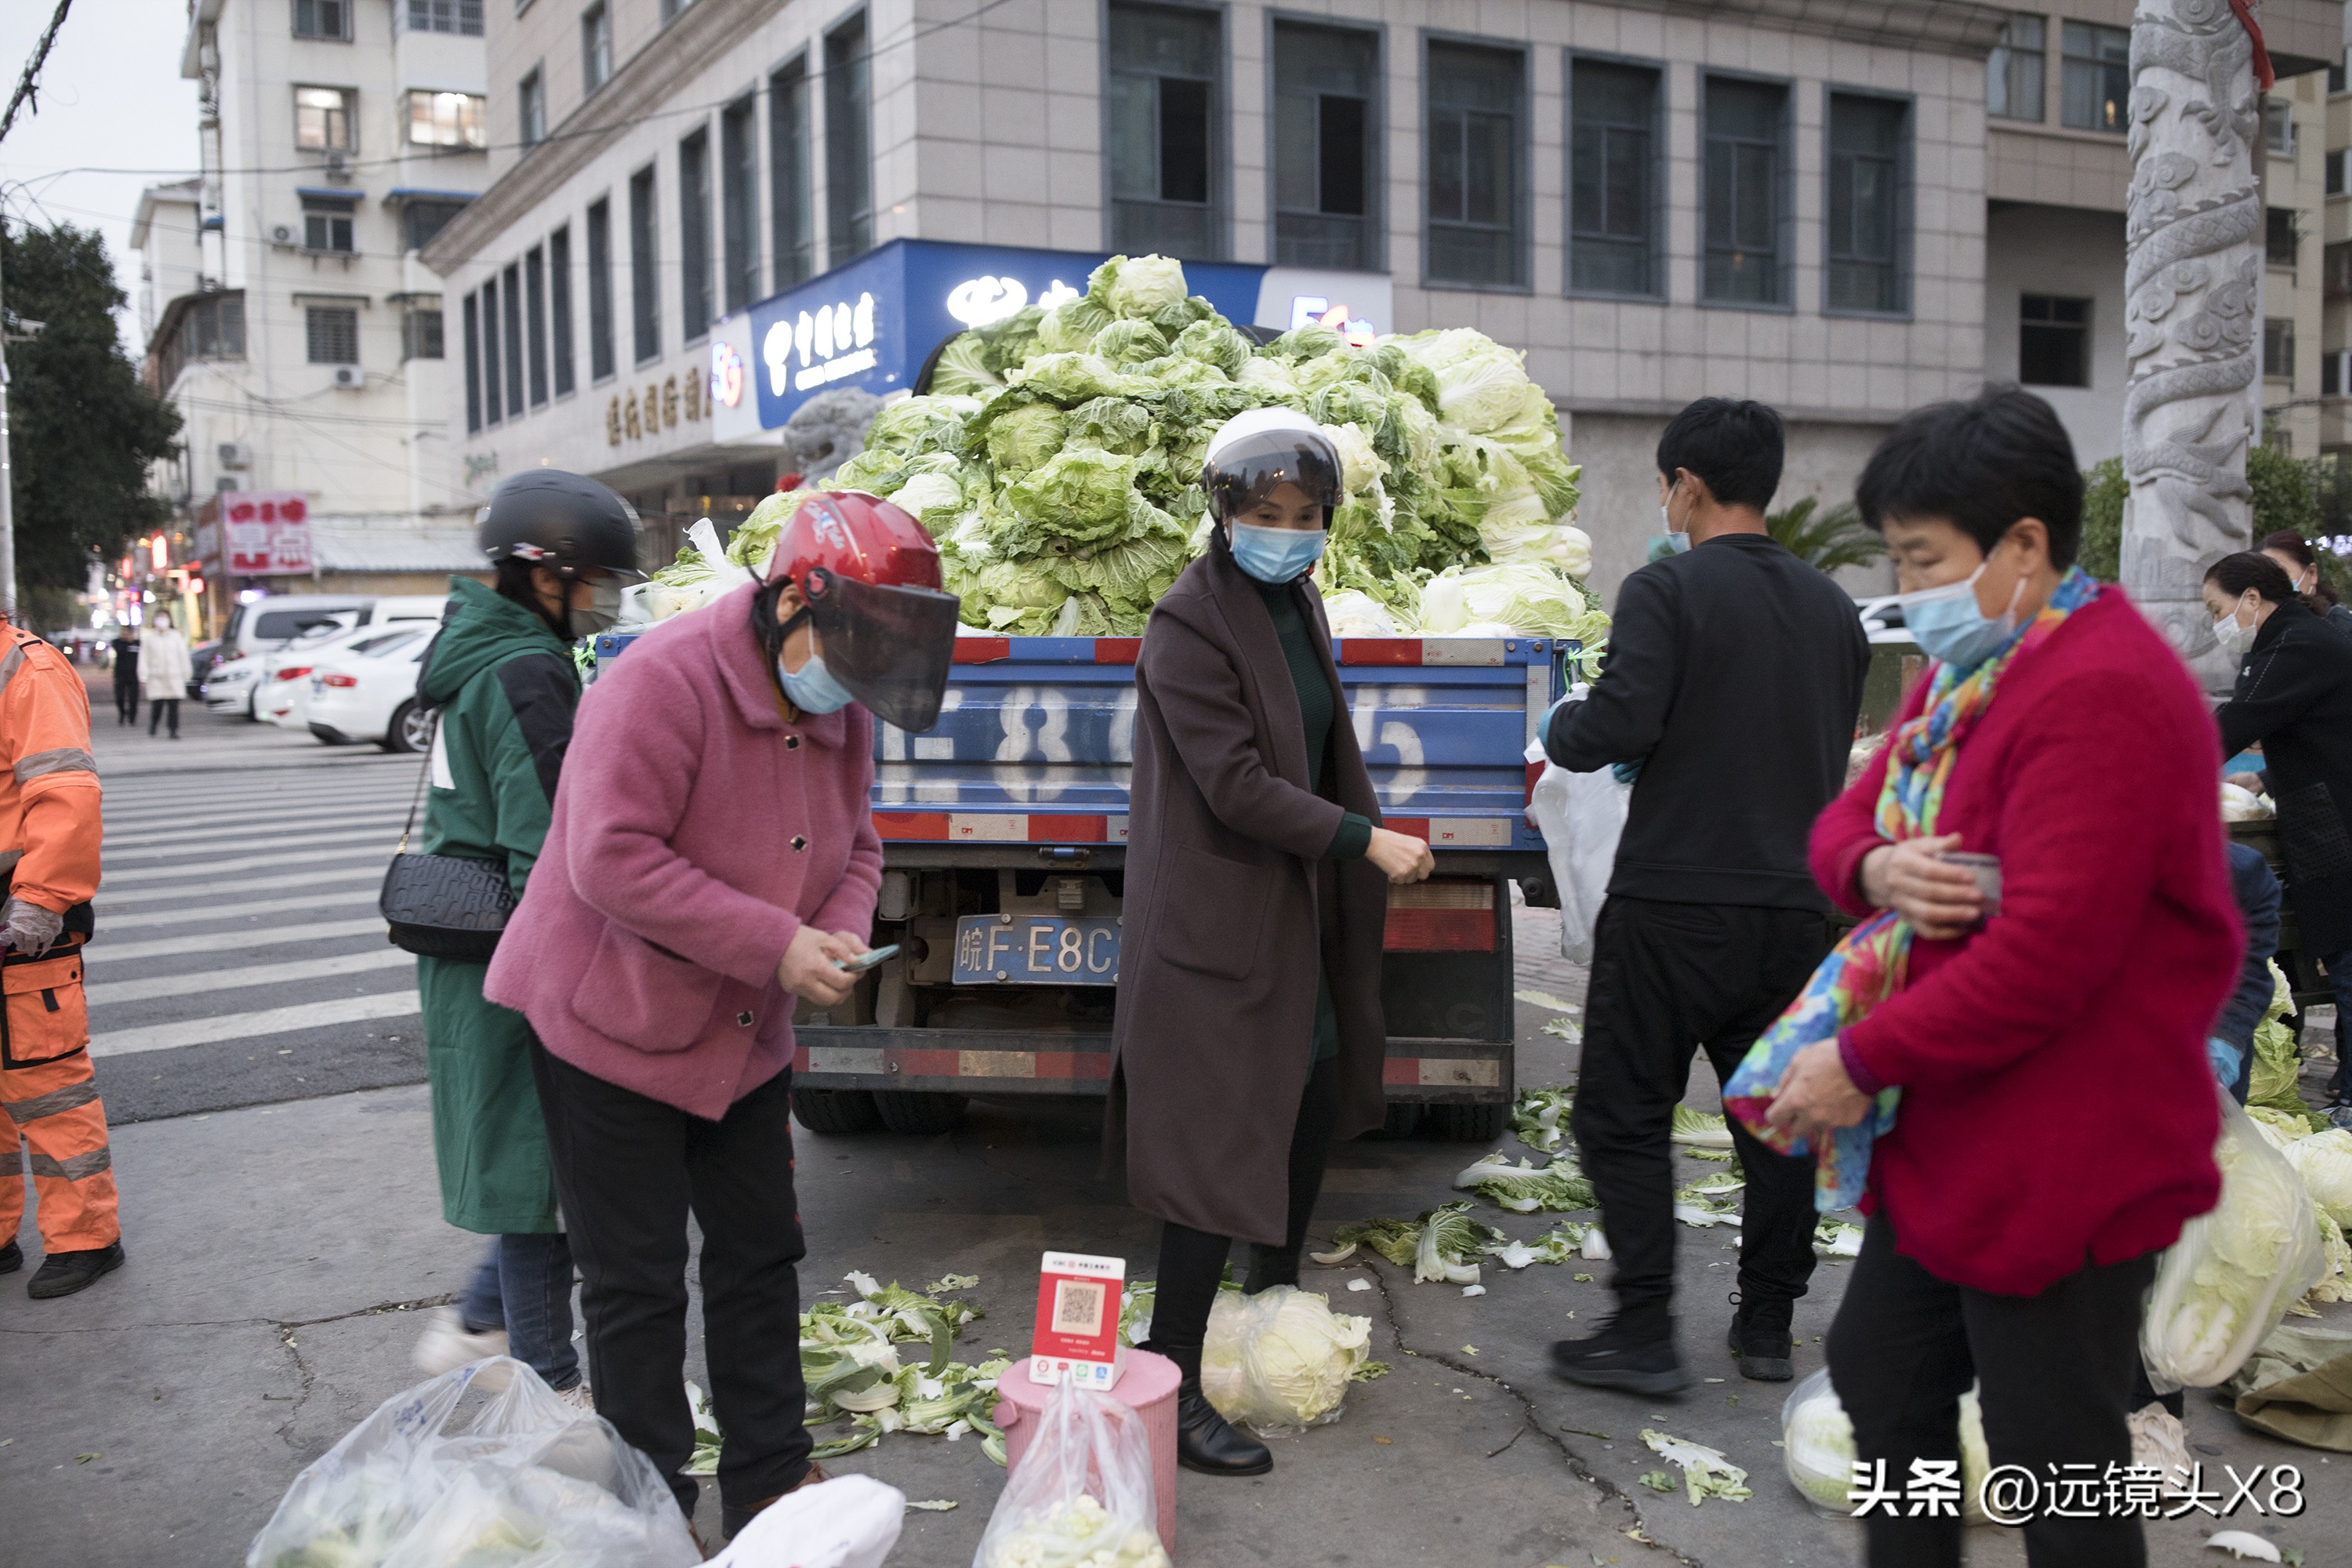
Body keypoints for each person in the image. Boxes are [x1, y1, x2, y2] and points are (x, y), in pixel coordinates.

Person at [1755, 388, 2236, 1567]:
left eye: (1925, 558)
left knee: (2053, 1450)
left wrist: (1856, 1059)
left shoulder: (2103, 689)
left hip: (2067, 1144)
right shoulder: (1971, 671)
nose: (1908, 586)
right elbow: (1846, 820)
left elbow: (2046, 958)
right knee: (1884, 1377)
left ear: (2024, 544)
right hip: (1958, 1130)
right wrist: (1878, 866)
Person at [485, 492, 958, 1541]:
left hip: (743, 1032)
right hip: (608, 1023)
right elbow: (609, 858)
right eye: (856, 645)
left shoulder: (838, 704)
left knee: (760, 1254)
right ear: (793, 600)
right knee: (636, 1284)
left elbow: (860, 844)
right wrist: (775, 944)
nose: (859, 680)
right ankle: (652, 1511)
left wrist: (836, 929)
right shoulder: (660, 681)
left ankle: (769, 1480)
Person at [1111, 410, 1435, 1479]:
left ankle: (1263, 1309)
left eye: (1305, 515)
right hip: (1216, 916)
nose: (1287, 532)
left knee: (1305, 1094)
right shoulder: (1188, 623)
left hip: (1293, 904)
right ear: (1224, 512)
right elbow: (1236, 783)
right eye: (1266, 513)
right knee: (1213, 1140)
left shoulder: (1294, 599)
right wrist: (1365, 839)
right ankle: (1171, 1381)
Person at [1541, 397, 1868, 1395]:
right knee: (1775, 1118)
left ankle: (1644, 1328)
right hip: (1795, 912)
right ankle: (1766, 1322)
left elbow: (1622, 721)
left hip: (1673, 902)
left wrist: (1563, 727)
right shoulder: (1834, 609)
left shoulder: (1665, 588)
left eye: (1665, 486)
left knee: (1623, 1112)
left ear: (1685, 483)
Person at [407, 470, 643, 1404]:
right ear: (548, 575)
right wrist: (587, 967)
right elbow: (547, 843)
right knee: (543, 1170)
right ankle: (548, 1384)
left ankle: (478, 1319)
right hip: (517, 949)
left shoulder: (483, 649)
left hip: (475, 944)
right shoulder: (526, 670)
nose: (607, 599)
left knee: (525, 1154)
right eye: (601, 580)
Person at [0, 608, 118, 1298]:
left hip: (20, 917)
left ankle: (86, 1238)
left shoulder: (26, 666)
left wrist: (41, 899)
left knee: (46, 1086)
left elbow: (67, 792)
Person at [2210, 549, 2352, 1109]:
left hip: (2336, 823)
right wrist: (2264, 777)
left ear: (2251, 598)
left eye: (2215, 609)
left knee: (2347, 959)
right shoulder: (2297, 640)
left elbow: (2236, 721)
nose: (2215, 623)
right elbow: (2318, 729)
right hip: (2326, 811)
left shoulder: (2295, 645)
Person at [2256, 530, 2352, 638]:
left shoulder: (2343, 628)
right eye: (2264, 577)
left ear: (2312, 574)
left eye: (2281, 573)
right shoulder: (2265, 631)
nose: (2272, 583)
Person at [140, 612, 190, 739]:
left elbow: (183, 656)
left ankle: (173, 730)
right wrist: (143, 674)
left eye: (164, 619)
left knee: (173, 705)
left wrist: (186, 672)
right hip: (156, 676)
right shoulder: (150, 638)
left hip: (174, 676)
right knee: (157, 705)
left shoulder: (175, 637)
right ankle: (154, 724)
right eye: (159, 619)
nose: (161, 622)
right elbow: (144, 657)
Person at [107, 626, 139, 727]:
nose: (124, 634)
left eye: (127, 632)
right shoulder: (117, 643)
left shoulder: (137, 644)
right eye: (123, 632)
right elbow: (120, 651)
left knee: (133, 698)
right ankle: (122, 713)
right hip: (120, 674)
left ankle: (132, 718)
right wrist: (127, 643)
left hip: (133, 675)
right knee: (119, 697)